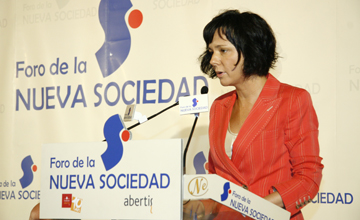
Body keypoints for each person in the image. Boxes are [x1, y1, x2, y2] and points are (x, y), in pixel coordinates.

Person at [199, 9, 324, 220]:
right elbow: (216, 178)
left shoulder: (293, 99)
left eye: (223, 50)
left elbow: (308, 179)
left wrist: (253, 208)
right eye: (211, 51)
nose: (213, 59)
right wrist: (197, 203)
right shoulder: (219, 106)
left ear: (251, 50)